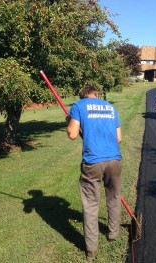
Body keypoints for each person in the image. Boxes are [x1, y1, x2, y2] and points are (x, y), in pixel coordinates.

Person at [67, 85, 122, 261]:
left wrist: (69, 122)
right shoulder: (110, 107)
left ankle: (91, 250)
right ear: (96, 94)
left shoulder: (78, 106)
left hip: (92, 162)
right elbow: (119, 138)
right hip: (114, 160)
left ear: (82, 96)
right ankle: (113, 234)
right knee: (114, 198)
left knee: (91, 205)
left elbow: (72, 134)